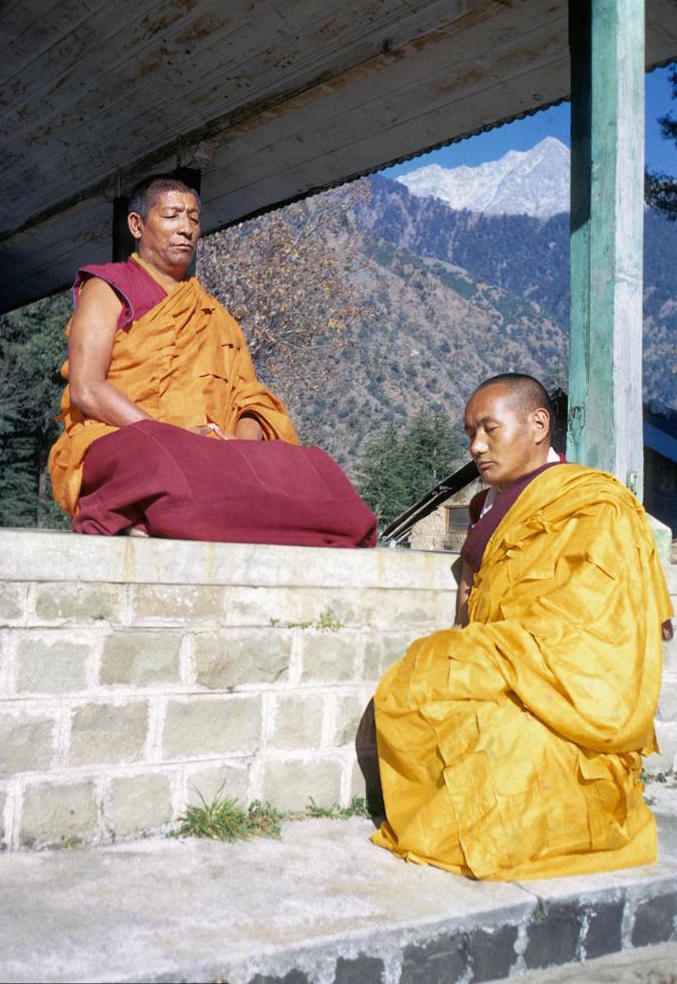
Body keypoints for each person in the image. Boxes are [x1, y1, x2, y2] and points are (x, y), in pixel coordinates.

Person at [371, 373, 673, 879]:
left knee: (506, 751)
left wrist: (500, 651)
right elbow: (474, 595)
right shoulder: (484, 504)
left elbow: (596, 617)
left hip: (562, 677)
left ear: (538, 425)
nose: (477, 446)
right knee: (415, 682)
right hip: (502, 657)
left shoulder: (593, 503)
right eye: (470, 433)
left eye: (489, 429)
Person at [48, 175, 376, 547]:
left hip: (210, 454)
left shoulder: (216, 316)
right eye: (172, 216)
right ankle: (198, 506)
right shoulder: (107, 289)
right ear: (137, 225)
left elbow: (250, 400)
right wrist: (171, 436)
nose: (186, 229)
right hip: (126, 437)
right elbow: (87, 389)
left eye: (193, 218)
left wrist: (239, 446)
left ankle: (177, 513)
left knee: (313, 469)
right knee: (152, 461)